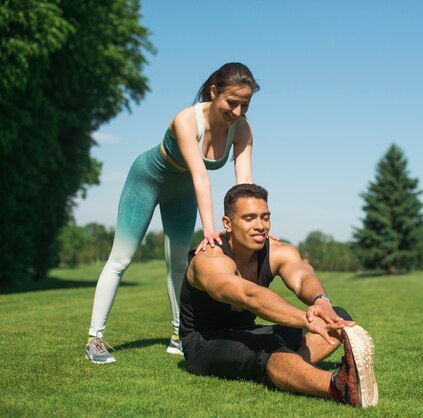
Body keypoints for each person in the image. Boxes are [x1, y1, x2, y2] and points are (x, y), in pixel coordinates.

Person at [85, 63, 260, 364]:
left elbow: (244, 185)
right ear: (214, 92)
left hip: (182, 192)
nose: (238, 111)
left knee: (179, 263)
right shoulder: (186, 120)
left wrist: (254, 222)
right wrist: (210, 231)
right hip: (147, 181)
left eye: (245, 105)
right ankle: (95, 339)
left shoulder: (241, 129)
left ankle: (179, 336)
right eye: (232, 103)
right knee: (121, 259)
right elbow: (200, 176)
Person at [179, 184, 378, 408]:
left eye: (265, 217)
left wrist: (321, 301)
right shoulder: (209, 259)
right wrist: (306, 319)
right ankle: (340, 386)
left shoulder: (276, 250)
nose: (260, 226)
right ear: (228, 224)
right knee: (269, 345)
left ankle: (288, 371)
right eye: (249, 218)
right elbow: (249, 296)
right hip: (205, 342)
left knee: (335, 317)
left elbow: (303, 275)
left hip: (246, 332)